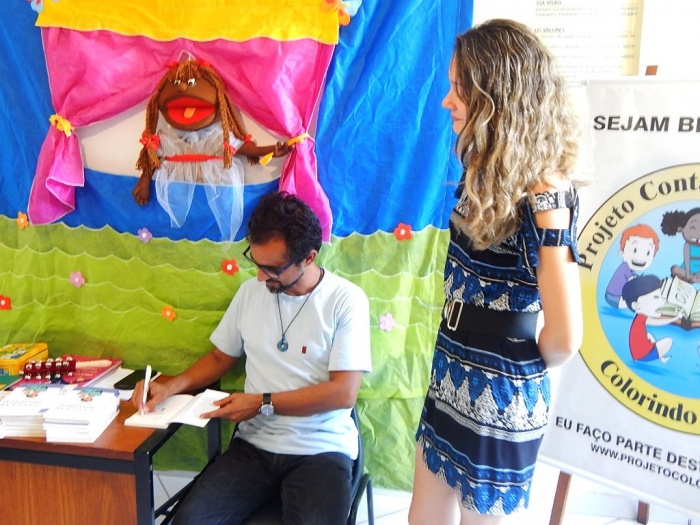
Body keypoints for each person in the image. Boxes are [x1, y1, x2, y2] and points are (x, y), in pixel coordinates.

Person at [409, 19, 584, 525]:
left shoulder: (546, 195)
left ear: (496, 94)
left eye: (458, 88)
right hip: (451, 368)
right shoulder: (487, 170)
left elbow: (565, 338)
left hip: (499, 395)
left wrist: (511, 365)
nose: (447, 100)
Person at [133, 191, 371, 525]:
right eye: (256, 263)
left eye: (272, 269)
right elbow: (220, 358)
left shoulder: (346, 301)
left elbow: (343, 393)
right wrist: (170, 387)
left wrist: (262, 403)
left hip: (321, 449)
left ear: (308, 258)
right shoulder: (250, 293)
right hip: (254, 445)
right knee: (189, 522)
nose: (260, 277)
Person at [605, 224, 660, 308]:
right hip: (613, 297)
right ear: (621, 253)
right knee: (641, 301)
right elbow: (632, 283)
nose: (640, 257)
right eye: (635, 250)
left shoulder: (630, 269)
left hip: (615, 296)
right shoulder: (625, 268)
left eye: (647, 253)